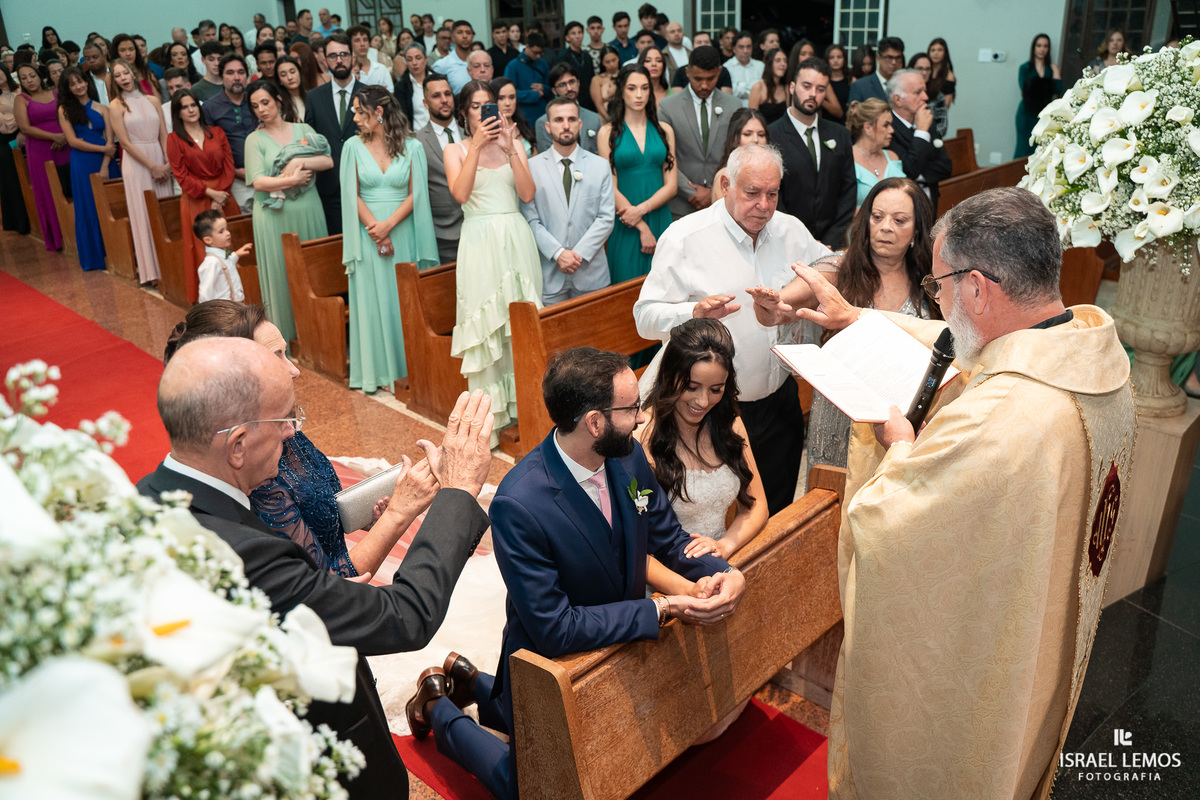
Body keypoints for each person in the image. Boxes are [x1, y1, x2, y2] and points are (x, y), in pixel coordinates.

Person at [776, 188, 1136, 800]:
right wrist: (861, 320)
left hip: (979, 658)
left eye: (940, 284)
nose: (937, 300)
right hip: (1037, 616)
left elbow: (886, 521)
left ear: (977, 287)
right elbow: (963, 349)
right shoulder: (1093, 358)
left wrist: (895, 444)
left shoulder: (1002, 420)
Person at [140, 335, 495, 800]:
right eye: (285, 419)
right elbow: (405, 615)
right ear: (238, 445)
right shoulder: (244, 555)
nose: (293, 432)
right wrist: (459, 491)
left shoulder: (147, 496)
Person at [407, 346, 746, 800]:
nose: (643, 418)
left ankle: (470, 680)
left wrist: (723, 570)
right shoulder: (520, 503)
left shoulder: (626, 459)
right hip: (550, 665)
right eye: (631, 409)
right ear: (594, 422)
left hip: (620, 648)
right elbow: (555, 628)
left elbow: (668, 537)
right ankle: (437, 709)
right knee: (529, 788)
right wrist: (659, 608)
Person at [635, 144, 831, 515]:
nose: (764, 205)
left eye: (772, 194)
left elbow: (831, 263)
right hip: (711, 410)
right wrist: (691, 311)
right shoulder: (685, 238)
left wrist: (795, 297)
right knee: (724, 516)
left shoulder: (790, 229)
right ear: (726, 183)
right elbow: (644, 318)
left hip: (779, 398)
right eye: (752, 192)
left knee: (776, 508)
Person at [754, 177, 936, 481]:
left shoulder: (930, 281)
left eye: (899, 220)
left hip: (901, 415)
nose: (886, 227)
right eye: (877, 217)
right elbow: (793, 299)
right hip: (842, 415)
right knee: (834, 499)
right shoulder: (840, 267)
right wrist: (776, 305)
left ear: (917, 230)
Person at [636, 318, 767, 586]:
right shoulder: (641, 439)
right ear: (670, 376)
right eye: (691, 387)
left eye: (715, 389)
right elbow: (637, 544)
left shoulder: (729, 424)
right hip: (668, 581)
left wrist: (725, 545)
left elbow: (757, 506)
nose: (703, 401)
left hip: (725, 564)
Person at [444, 79, 542, 435]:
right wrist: (477, 147)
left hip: (516, 237)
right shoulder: (455, 149)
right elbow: (460, 193)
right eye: (477, 106)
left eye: (492, 105)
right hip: (479, 242)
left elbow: (528, 194)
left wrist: (510, 147)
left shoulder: (514, 143)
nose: (486, 112)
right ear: (465, 113)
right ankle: (489, 422)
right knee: (486, 326)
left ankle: (525, 412)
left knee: (521, 324)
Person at [340, 85, 439, 392]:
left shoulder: (413, 147)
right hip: (367, 236)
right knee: (373, 299)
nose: (355, 117)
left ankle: (410, 369)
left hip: (404, 231)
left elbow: (417, 193)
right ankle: (377, 373)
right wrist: (376, 230)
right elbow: (350, 194)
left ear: (378, 112)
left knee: (402, 300)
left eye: (360, 111)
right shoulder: (352, 147)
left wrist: (389, 226)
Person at [245, 78, 332, 344]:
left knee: (314, 272)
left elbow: (327, 160)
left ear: (278, 100)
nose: (261, 109)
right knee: (281, 274)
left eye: (265, 102)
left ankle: (321, 335)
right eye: (255, 106)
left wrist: (298, 160)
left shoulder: (303, 128)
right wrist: (292, 180)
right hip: (274, 215)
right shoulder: (254, 139)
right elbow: (258, 181)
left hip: (308, 208)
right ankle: (285, 339)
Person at [522, 95, 615, 304]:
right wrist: (558, 253)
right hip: (549, 275)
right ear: (547, 126)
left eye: (572, 119)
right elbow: (530, 219)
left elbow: (606, 218)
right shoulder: (532, 167)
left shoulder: (600, 166)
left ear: (580, 124)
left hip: (592, 275)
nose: (566, 125)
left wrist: (578, 254)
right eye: (558, 120)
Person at [599, 65, 676, 282]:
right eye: (632, 88)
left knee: (665, 286)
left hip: (659, 218)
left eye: (644, 88)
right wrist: (640, 224)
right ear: (621, 91)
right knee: (624, 289)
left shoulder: (665, 131)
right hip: (626, 223)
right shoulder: (607, 133)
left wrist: (641, 210)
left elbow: (672, 185)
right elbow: (610, 188)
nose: (639, 94)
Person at [769, 57, 855, 249]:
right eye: (806, 86)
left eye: (820, 89)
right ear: (792, 87)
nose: (813, 94)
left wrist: (831, 240)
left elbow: (848, 191)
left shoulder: (839, 134)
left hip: (831, 243)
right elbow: (773, 194)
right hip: (785, 241)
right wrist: (800, 239)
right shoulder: (771, 135)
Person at [168, 87, 240, 302]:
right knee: (203, 251)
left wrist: (221, 194)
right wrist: (211, 194)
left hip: (225, 196)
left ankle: (238, 296)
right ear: (178, 112)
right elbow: (181, 175)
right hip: (196, 200)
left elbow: (229, 165)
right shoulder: (174, 139)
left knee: (231, 245)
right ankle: (212, 304)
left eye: (193, 105)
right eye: (185, 107)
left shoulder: (217, 132)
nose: (191, 110)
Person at [658, 45, 740, 220]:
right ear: (687, 72)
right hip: (680, 204)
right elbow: (664, 154)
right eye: (698, 79)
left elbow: (737, 154)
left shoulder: (734, 106)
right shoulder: (667, 107)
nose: (704, 85)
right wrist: (689, 191)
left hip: (723, 203)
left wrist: (714, 192)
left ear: (719, 72)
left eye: (711, 78)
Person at [109, 60, 172, 283]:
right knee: (144, 213)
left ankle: (171, 265)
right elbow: (124, 143)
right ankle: (152, 272)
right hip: (137, 164)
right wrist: (152, 166)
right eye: (117, 75)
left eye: (126, 72)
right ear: (113, 80)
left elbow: (164, 134)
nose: (123, 78)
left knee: (165, 211)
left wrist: (166, 163)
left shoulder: (153, 99)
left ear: (133, 73)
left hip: (159, 156)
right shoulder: (116, 106)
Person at [303, 32, 362, 235]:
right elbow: (311, 140)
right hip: (330, 187)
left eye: (344, 54)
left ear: (353, 57)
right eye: (333, 56)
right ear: (325, 61)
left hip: (365, 182)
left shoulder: (370, 93)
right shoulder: (314, 97)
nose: (339, 60)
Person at [57, 67, 114, 270]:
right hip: (82, 162)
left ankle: (117, 252)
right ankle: (96, 257)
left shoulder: (103, 108)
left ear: (86, 82)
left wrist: (106, 164)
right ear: (68, 88)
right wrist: (103, 148)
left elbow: (111, 141)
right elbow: (73, 141)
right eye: (72, 84)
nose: (78, 86)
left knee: (111, 205)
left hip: (105, 161)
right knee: (89, 206)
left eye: (80, 81)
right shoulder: (64, 110)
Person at [15, 63, 70, 251]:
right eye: (24, 78)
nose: (29, 80)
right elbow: (25, 128)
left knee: (67, 187)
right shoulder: (21, 99)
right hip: (40, 149)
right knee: (48, 190)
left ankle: (73, 233)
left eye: (32, 75)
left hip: (64, 144)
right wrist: (53, 136)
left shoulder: (55, 93)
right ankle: (57, 237)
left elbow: (67, 115)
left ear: (40, 76)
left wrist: (63, 136)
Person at [414, 74, 464, 263]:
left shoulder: (471, 132)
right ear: (425, 103)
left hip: (478, 226)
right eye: (436, 96)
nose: (444, 100)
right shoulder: (417, 141)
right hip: (443, 233)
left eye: (447, 94)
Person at [886, 68, 952, 210]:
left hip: (930, 202)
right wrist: (921, 131)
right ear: (897, 99)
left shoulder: (929, 122)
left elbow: (946, 167)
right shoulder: (887, 127)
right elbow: (908, 171)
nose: (925, 97)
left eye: (924, 90)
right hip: (900, 206)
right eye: (917, 92)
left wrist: (917, 174)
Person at [203, 54, 259, 212]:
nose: (236, 77)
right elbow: (210, 151)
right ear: (221, 77)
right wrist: (234, 171)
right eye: (230, 73)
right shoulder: (210, 108)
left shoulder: (257, 101)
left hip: (265, 174)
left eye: (241, 72)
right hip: (233, 180)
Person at [534, 62, 601, 154]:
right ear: (554, 90)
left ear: (578, 83)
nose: (569, 88)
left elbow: (599, 155)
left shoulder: (594, 119)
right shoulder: (543, 122)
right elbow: (545, 158)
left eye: (572, 82)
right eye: (562, 85)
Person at [847, 98, 904, 206]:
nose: (892, 130)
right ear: (867, 127)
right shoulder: (848, 159)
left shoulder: (892, 157)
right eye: (886, 125)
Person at [1016, 34, 1062, 158]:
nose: (1042, 49)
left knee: (1040, 151)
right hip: (1026, 113)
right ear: (1034, 48)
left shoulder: (1050, 69)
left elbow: (1057, 90)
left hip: (1044, 114)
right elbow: (1026, 91)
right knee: (1022, 148)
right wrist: (1047, 86)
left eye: (1045, 46)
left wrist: (1056, 72)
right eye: (1039, 45)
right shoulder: (1025, 68)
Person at [710, 107, 768, 201]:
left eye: (761, 135)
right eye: (747, 134)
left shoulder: (769, 171)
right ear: (734, 138)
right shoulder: (726, 174)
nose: (756, 140)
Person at [0, 64, 31, 234]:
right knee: (10, 173)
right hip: (6, 141)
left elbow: (31, 111)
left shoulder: (21, 88)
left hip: (28, 133)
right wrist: (20, 123)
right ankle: (19, 221)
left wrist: (22, 129)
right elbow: (5, 125)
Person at [193, 211, 250, 301]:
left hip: (236, 305)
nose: (228, 233)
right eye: (221, 231)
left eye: (226, 229)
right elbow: (205, 294)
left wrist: (236, 254)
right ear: (208, 240)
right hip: (224, 310)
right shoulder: (211, 262)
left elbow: (227, 264)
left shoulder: (221, 257)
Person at [503, 31, 550, 122]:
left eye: (540, 53)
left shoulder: (543, 64)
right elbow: (508, 93)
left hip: (543, 114)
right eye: (535, 52)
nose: (538, 56)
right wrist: (533, 95)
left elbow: (551, 88)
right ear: (527, 46)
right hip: (523, 116)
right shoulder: (513, 66)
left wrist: (543, 88)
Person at [491, 77, 538, 156]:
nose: (508, 103)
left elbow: (536, 161)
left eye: (512, 97)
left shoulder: (523, 126)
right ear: (492, 100)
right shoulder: (488, 132)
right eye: (501, 98)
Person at [848, 36, 902, 103]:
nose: (894, 62)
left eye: (898, 58)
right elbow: (854, 112)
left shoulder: (906, 85)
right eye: (889, 57)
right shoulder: (860, 86)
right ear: (878, 58)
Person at [557, 20, 596, 111]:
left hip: (589, 99)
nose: (578, 36)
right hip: (571, 97)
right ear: (567, 37)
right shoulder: (563, 57)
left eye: (580, 33)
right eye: (573, 33)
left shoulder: (587, 55)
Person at [908, 53, 948, 141]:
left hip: (931, 140)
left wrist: (924, 135)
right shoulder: (903, 93)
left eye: (927, 69)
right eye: (920, 69)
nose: (924, 73)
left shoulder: (937, 95)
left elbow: (942, 126)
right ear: (911, 70)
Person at [396, 44, 430, 139]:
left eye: (418, 58)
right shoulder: (401, 87)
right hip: (416, 136)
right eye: (409, 60)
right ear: (406, 62)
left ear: (426, 59)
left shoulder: (438, 80)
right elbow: (402, 118)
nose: (414, 63)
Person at [347, 24, 393, 91]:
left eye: (365, 40)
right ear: (350, 44)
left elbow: (389, 95)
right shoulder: (347, 71)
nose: (362, 44)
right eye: (357, 40)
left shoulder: (381, 69)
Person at [432, 20, 473, 93]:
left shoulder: (481, 62)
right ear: (453, 37)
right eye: (460, 32)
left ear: (472, 36)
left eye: (468, 33)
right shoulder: (442, 65)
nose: (465, 36)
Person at [749, 47, 788, 124]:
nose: (783, 64)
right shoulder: (758, 87)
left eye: (785, 61)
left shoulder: (786, 88)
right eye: (778, 60)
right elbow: (752, 119)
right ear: (769, 63)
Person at [724, 31, 761, 108]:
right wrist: (753, 91)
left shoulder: (761, 67)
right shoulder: (726, 68)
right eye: (741, 47)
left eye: (748, 47)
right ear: (734, 49)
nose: (745, 51)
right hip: (734, 113)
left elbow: (763, 93)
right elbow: (728, 96)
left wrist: (739, 89)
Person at [590, 45, 621, 123]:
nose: (611, 64)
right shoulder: (597, 80)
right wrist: (609, 120)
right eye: (607, 62)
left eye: (614, 60)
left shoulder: (626, 75)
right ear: (602, 62)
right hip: (605, 119)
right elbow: (598, 104)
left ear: (618, 58)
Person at [273, 55, 308, 121]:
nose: (290, 77)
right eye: (283, 75)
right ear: (279, 80)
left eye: (292, 72)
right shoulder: (278, 103)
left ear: (299, 73)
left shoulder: (312, 97)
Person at [824, 44, 851, 125]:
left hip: (846, 124)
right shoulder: (823, 81)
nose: (835, 60)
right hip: (827, 123)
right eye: (832, 57)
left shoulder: (850, 80)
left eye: (839, 57)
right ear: (827, 60)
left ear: (844, 59)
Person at [926, 38, 955, 109]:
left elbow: (946, 104)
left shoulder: (949, 76)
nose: (936, 53)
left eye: (939, 50)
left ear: (945, 53)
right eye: (933, 50)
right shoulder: (925, 71)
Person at [82, 41, 111, 105]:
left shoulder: (115, 73)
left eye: (95, 57)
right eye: (87, 58)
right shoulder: (84, 80)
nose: (91, 61)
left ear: (103, 57)